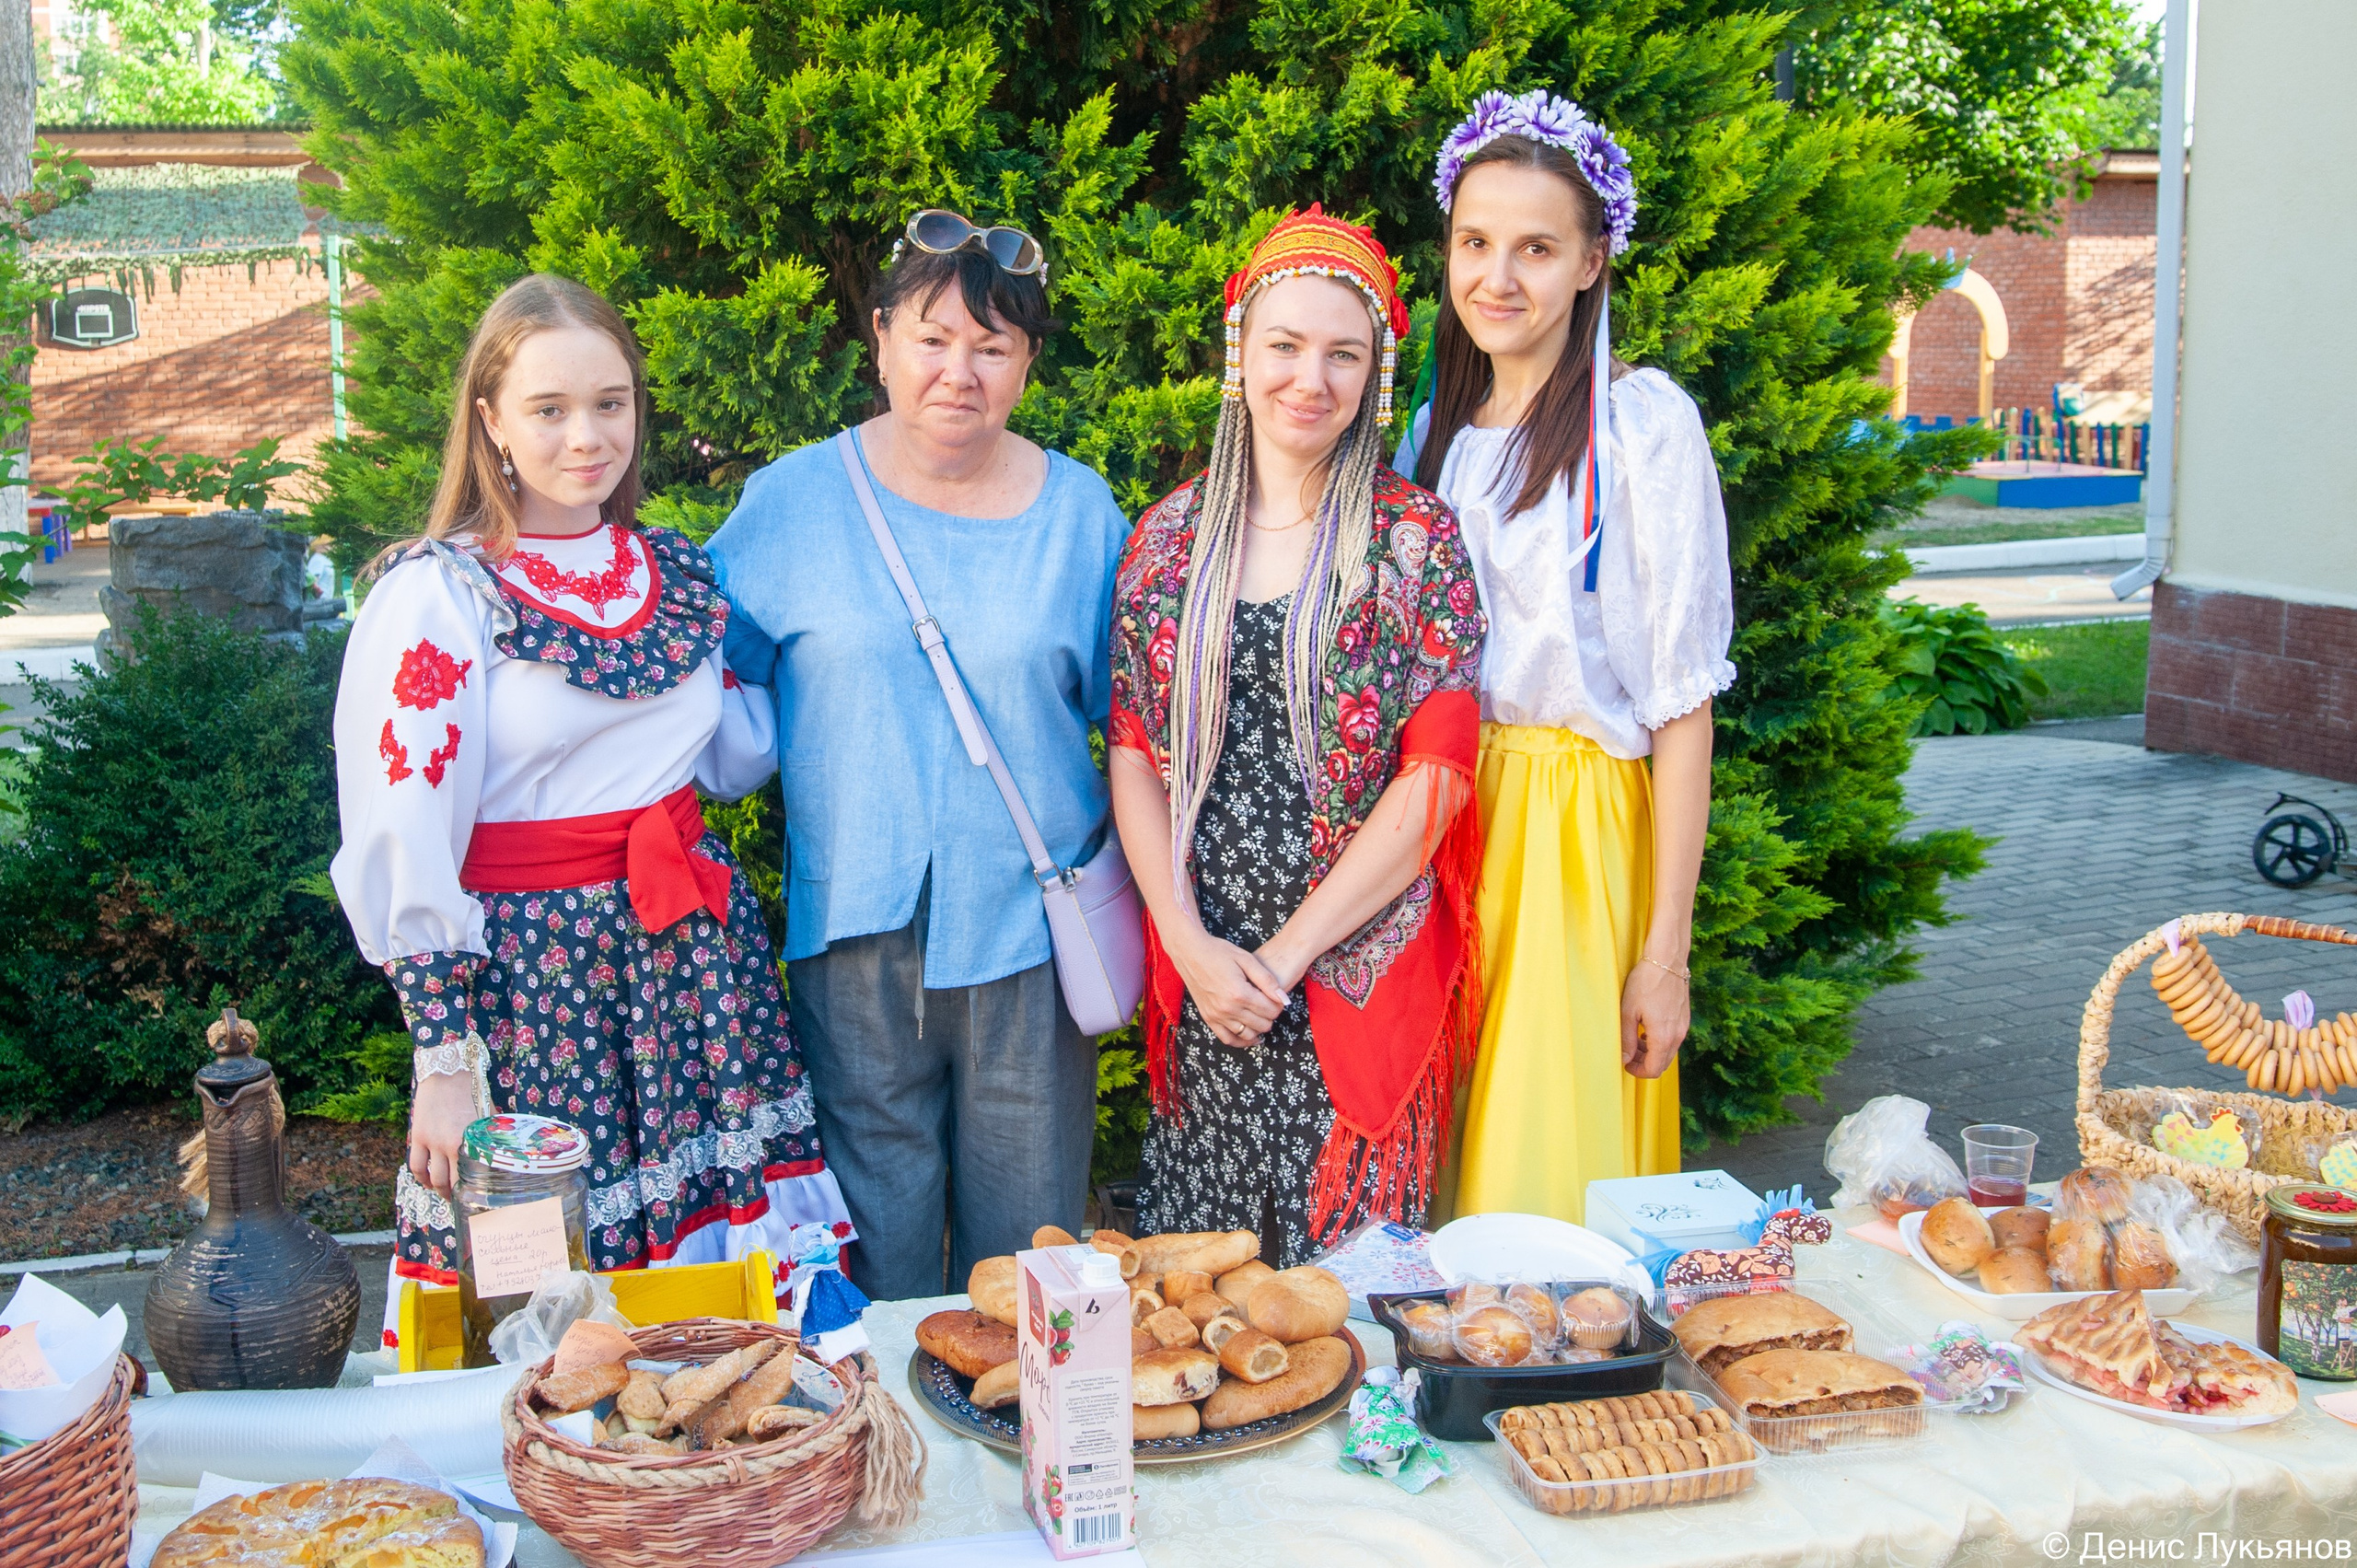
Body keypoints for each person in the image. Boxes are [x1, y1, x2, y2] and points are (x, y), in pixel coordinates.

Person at [331, 273, 851, 1348]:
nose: (587, 436)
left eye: (610, 403)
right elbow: (402, 832)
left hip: (694, 968)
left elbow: (734, 753)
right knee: (538, 1289)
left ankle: (716, 1487)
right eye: (550, 409)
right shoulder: (440, 595)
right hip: (537, 982)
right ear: (489, 420)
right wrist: (442, 1056)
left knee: (723, 1316)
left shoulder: (671, 571)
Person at [710, 213, 1132, 1301]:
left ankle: (1022, 1457)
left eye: (993, 349)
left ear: (1028, 365)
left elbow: (1132, 722)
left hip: (1031, 931)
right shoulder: (791, 502)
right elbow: (694, 672)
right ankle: (887, 1458)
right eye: (934, 338)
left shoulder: (1082, 512)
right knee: (871, 1241)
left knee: (1028, 1249)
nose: (960, 372)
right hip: (852, 927)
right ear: (882, 336)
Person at [1110, 208, 1488, 1268]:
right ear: (1239, 350)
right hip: (1209, 975)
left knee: (1350, 1309)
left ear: (1376, 372)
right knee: (1210, 1312)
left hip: (1345, 966)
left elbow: (1436, 777)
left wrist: (1280, 958)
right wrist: (1189, 942)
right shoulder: (1169, 540)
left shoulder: (1415, 541)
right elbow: (1134, 751)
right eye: (1283, 345)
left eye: (1342, 353)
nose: (1308, 378)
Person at [1396, 91, 1736, 1223]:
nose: (1499, 276)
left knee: (1540, 1179)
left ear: (1593, 260)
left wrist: (1664, 953)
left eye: (1536, 247)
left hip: (1571, 829)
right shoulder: (1437, 433)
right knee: (1437, 1154)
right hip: (1441, 823)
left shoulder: (1639, 426)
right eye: (1475, 242)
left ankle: (1557, 1400)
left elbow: (1681, 709)